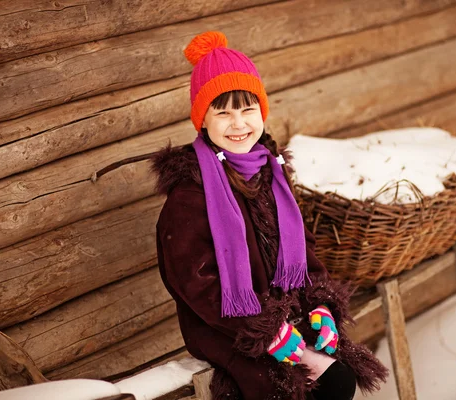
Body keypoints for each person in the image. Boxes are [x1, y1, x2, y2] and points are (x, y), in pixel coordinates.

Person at [152, 31, 387, 400]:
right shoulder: (190, 194)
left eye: (247, 109)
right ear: (202, 120)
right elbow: (195, 282)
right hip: (230, 329)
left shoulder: (271, 173)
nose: (239, 123)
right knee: (308, 386)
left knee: (338, 377)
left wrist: (321, 305)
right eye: (223, 111)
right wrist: (264, 328)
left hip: (287, 313)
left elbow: (302, 251)